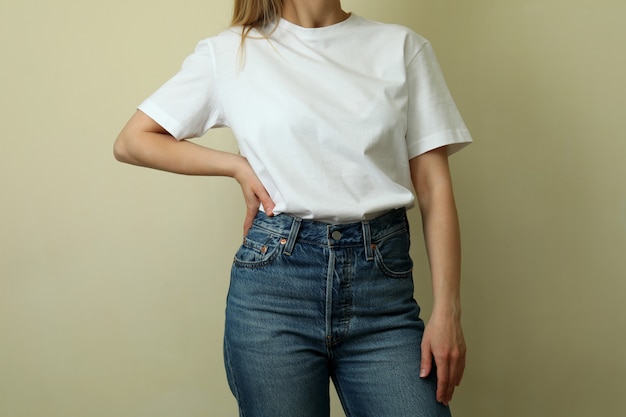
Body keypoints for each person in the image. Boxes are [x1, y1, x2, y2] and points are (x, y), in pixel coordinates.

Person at [114, 0, 471, 415]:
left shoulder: (402, 48)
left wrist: (447, 310)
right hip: (274, 291)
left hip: (382, 295)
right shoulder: (232, 51)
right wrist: (235, 166)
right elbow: (132, 140)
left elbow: (434, 187)